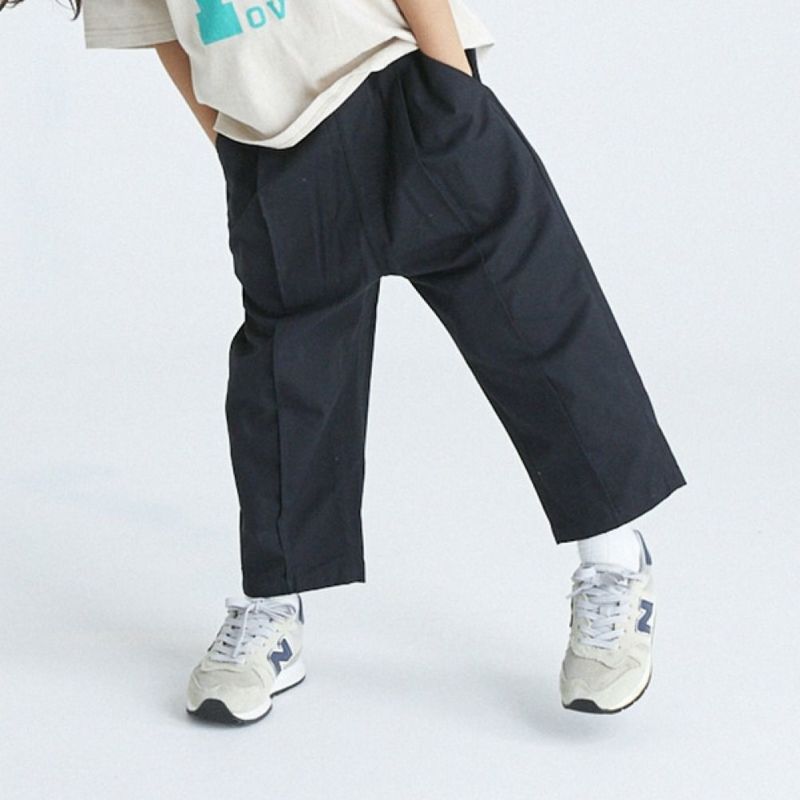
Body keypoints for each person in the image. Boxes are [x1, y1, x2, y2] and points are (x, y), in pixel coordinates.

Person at [12, 0, 686, 723]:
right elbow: (161, 31)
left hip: (400, 78)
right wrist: (231, 147)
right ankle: (273, 612)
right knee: (285, 380)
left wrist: (451, 86)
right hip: (272, 142)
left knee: (533, 319)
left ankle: (615, 561)